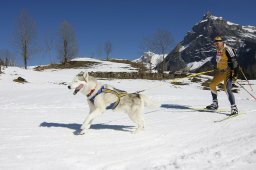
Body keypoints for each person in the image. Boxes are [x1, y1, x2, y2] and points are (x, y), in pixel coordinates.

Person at [206, 36, 239, 115]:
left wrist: (235, 75)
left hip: (228, 72)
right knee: (212, 85)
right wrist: (216, 67)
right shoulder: (218, 50)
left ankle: (234, 107)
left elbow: (235, 62)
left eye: (218, 43)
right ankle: (215, 104)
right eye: (215, 44)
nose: (216, 45)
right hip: (220, 72)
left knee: (227, 89)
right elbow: (219, 61)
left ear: (222, 42)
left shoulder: (228, 49)